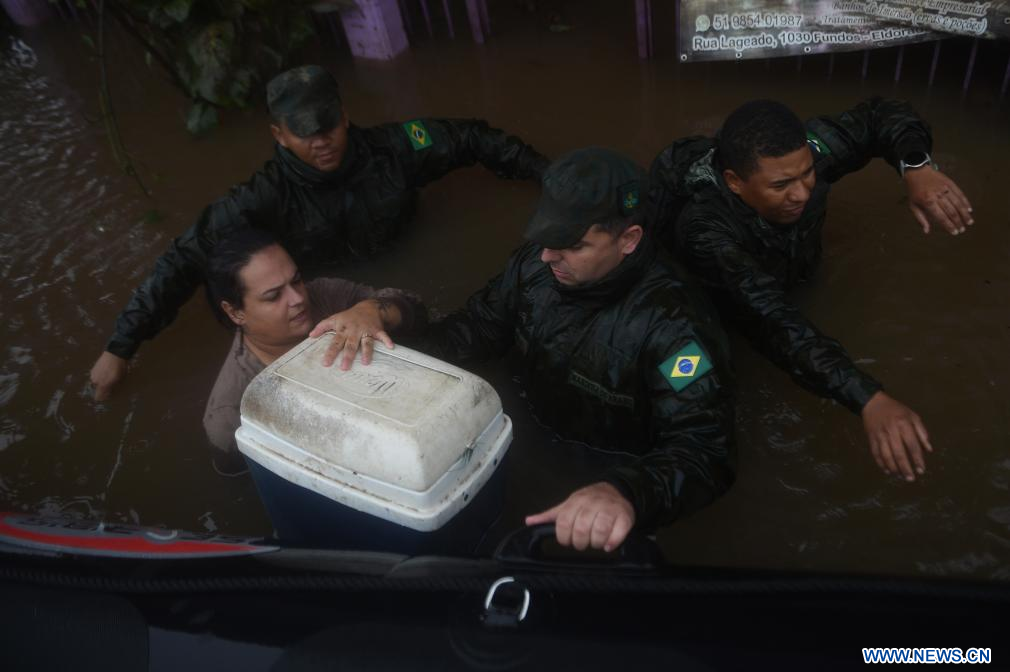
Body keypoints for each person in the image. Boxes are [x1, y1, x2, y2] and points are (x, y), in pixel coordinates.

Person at [91, 64, 547, 401]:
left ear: (344, 116)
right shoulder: (262, 195)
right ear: (279, 135)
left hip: (397, 277)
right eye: (305, 134)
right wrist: (121, 346)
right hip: (326, 298)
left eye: (328, 126)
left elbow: (473, 138)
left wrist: (549, 178)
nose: (321, 141)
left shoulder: (399, 148)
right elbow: (184, 258)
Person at [422, 147, 735, 553]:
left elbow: (705, 448)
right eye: (545, 237)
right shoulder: (536, 265)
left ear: (628, 240)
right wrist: (390, 334)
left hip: (606, 476)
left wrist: (625, 492)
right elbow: (475, 329)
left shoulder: (676, 330)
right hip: (516, 437)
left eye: (571, 244)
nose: (548, 255)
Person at [648, 97, 974, 483]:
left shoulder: (808, 155)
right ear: (735, 182)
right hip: (726, 304)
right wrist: (867, 397)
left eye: (806, 175)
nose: (801, 193)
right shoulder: (705, 230)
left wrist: (916, 166)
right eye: (781, 185)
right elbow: (772, 319)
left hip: (793, 270)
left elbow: (880, 115)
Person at [203, 229, 426, 474]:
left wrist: (370, 311)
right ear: (235, 312)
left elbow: (416, 310)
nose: (298, 297)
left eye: (296, 280)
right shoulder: (231, 412)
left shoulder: (325, 297)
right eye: (274, 296)